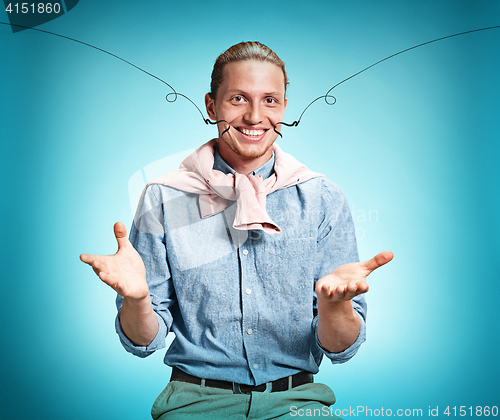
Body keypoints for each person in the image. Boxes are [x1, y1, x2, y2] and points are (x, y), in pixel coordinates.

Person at [80, 41, 393, 419]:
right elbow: (144, 341)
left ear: (284, 108)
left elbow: (342, 347)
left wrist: (333, 307)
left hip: (297, 403)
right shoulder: (164, 197)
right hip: (194, 402)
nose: (255, 116)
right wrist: (138, 299)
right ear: (212, 105)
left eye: (270, 101)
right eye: (239, 99)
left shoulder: (323, 198)